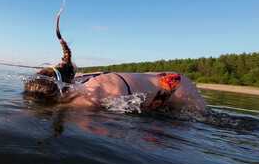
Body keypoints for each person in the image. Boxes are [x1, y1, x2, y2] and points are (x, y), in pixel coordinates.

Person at [24, 10, 207, 113]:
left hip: (174, 88)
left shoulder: (90, 95)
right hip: (171, 79)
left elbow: (48, 111)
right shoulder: (80, 79)